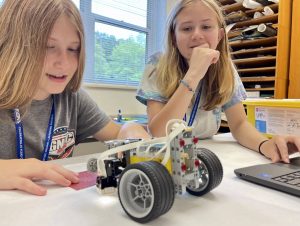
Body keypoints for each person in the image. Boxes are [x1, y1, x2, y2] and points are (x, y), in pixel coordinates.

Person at [0, 0, 149, 196]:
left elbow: (118, 132)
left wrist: (131, 130)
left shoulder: (72, 99)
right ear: (15, 45)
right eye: (48, 46)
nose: (64, 62)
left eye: (73, 49)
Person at [136, 0, 300, 164]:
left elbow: (239, 124)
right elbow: (158, 133)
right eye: (186, 28)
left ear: (220, 35)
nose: (197, 35)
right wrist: (193, 74)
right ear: (174, 36)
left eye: (206, 27)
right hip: (167, 154)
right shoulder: (157, 65)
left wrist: (264, 144)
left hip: (208, 154)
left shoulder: (226, 69)